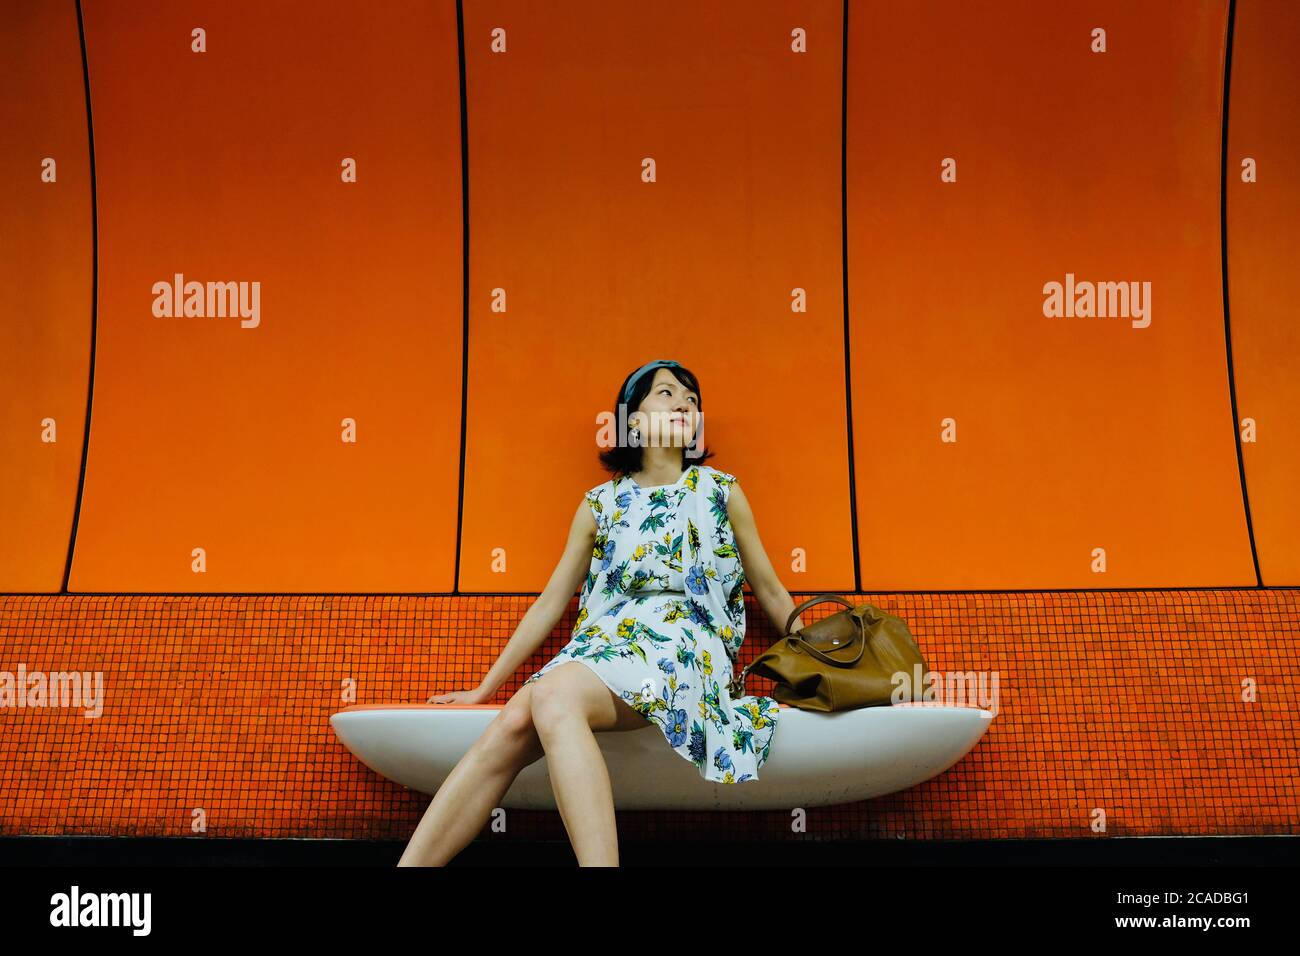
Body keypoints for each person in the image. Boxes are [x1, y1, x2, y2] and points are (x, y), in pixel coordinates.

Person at [397, 359, 805, 866]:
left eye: (692, 399)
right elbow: (550, 603)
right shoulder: (600, 504)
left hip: (684, 648)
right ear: (632, 420)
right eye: (666, 393)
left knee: (548, 697)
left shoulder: (720, 492)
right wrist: (485, 688)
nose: (684, 403)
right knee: (513, 720)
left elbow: (769, 587)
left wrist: (817, 664)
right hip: (602, 647)